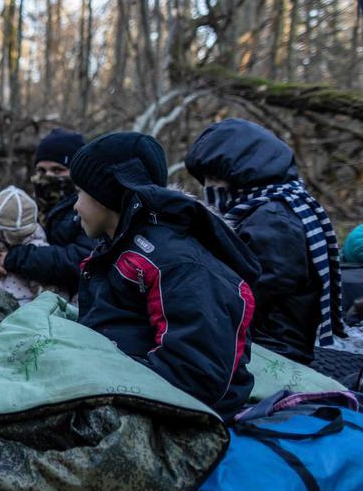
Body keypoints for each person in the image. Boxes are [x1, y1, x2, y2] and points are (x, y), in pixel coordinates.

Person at [69, 132, 260, 416]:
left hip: (173, 414)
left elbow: (195, 375)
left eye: (79, 193)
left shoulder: (176, 263)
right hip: (123, 390)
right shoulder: (120, 247)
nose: (74, 206)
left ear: (105, 194)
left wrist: (96, 377)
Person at [185, 118, 342, 365]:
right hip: (266, 342)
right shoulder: (273, 207)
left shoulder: (274, 218)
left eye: (214, 179)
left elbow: (252, 290)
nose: (209, 188)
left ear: (244, 173)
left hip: (273, 350)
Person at [0, 128, 96, 296]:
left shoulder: (90, 208)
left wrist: (13, 258)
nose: (47, 177)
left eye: (58, 170)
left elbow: (79, 259)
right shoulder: (26, 206)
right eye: (41, 170)